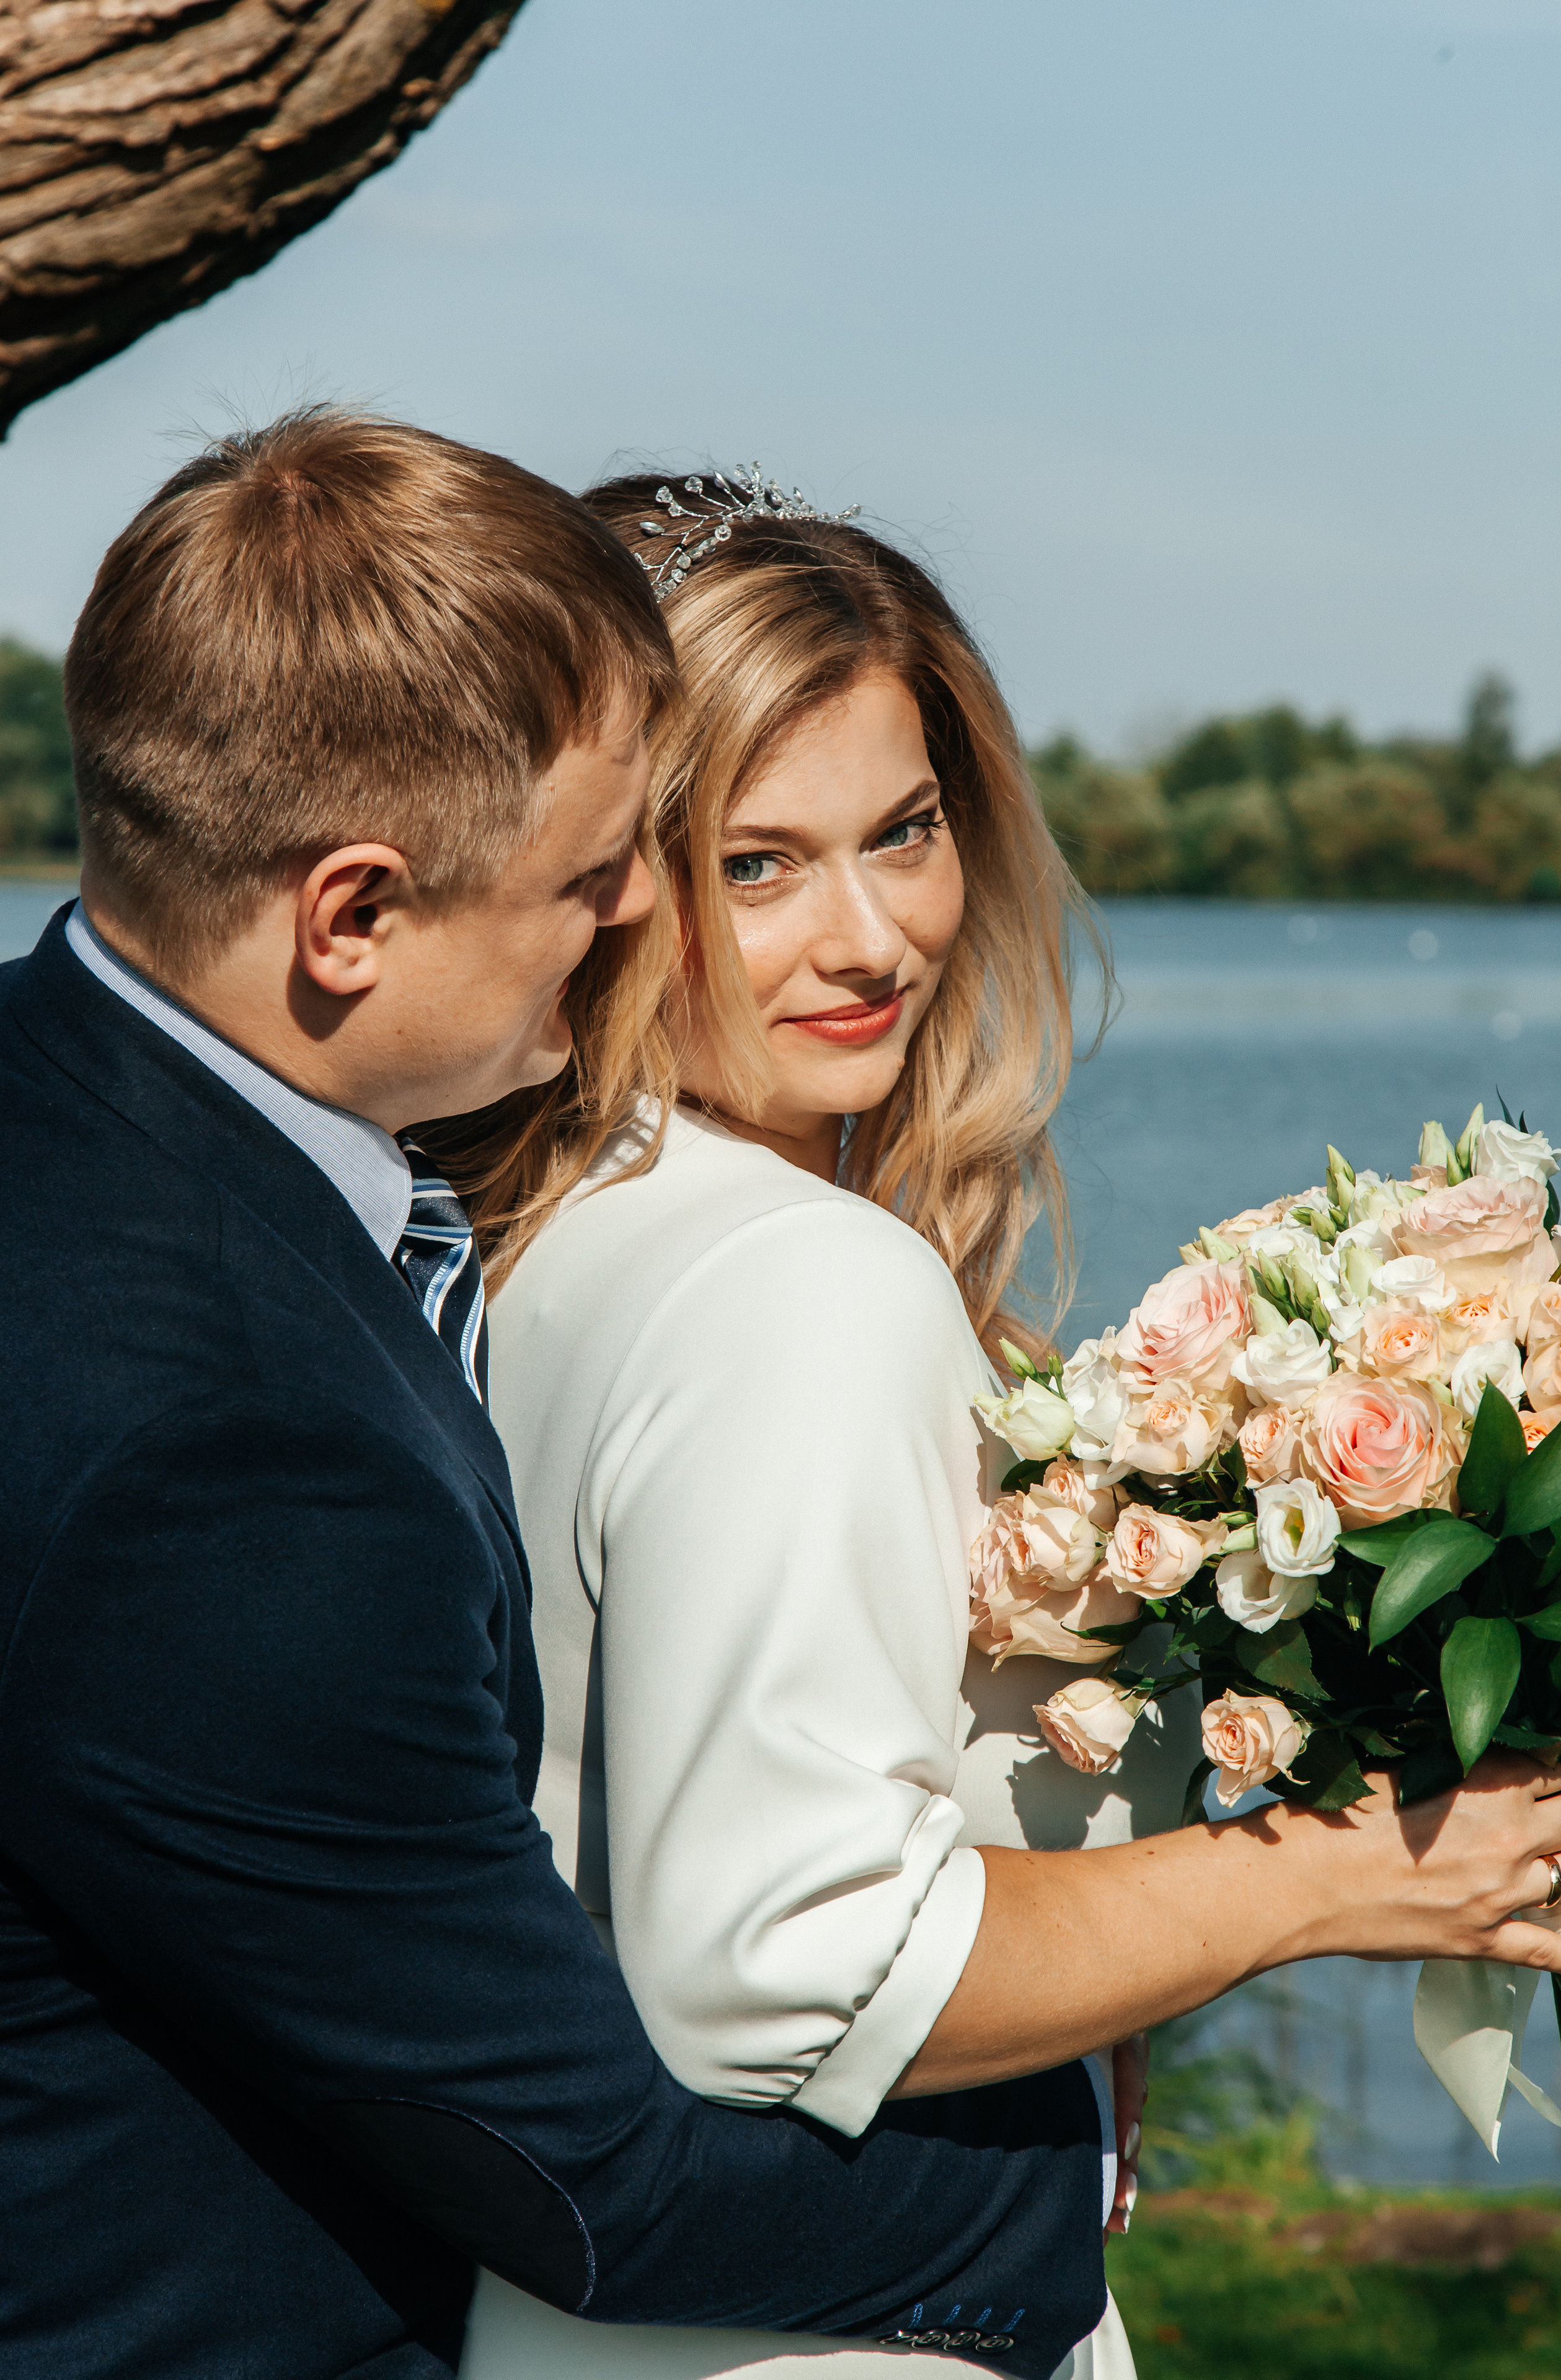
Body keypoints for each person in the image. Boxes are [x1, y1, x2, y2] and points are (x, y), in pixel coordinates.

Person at [0, 410, 1127, 2380]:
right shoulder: (235, 1427)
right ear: (350, 913)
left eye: (907, 827)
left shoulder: (210, 1158)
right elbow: (601, 2156)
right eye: (636, 868)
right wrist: (1071, 2177)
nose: (628, 922)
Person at [434, 462, 1561, 2379]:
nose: (875, 936)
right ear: (612, 877)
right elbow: (785, 1976)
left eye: (907, 830)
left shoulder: (532, 1236)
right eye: (759, 861)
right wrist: (1341, 1875)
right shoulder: (797, 1285)